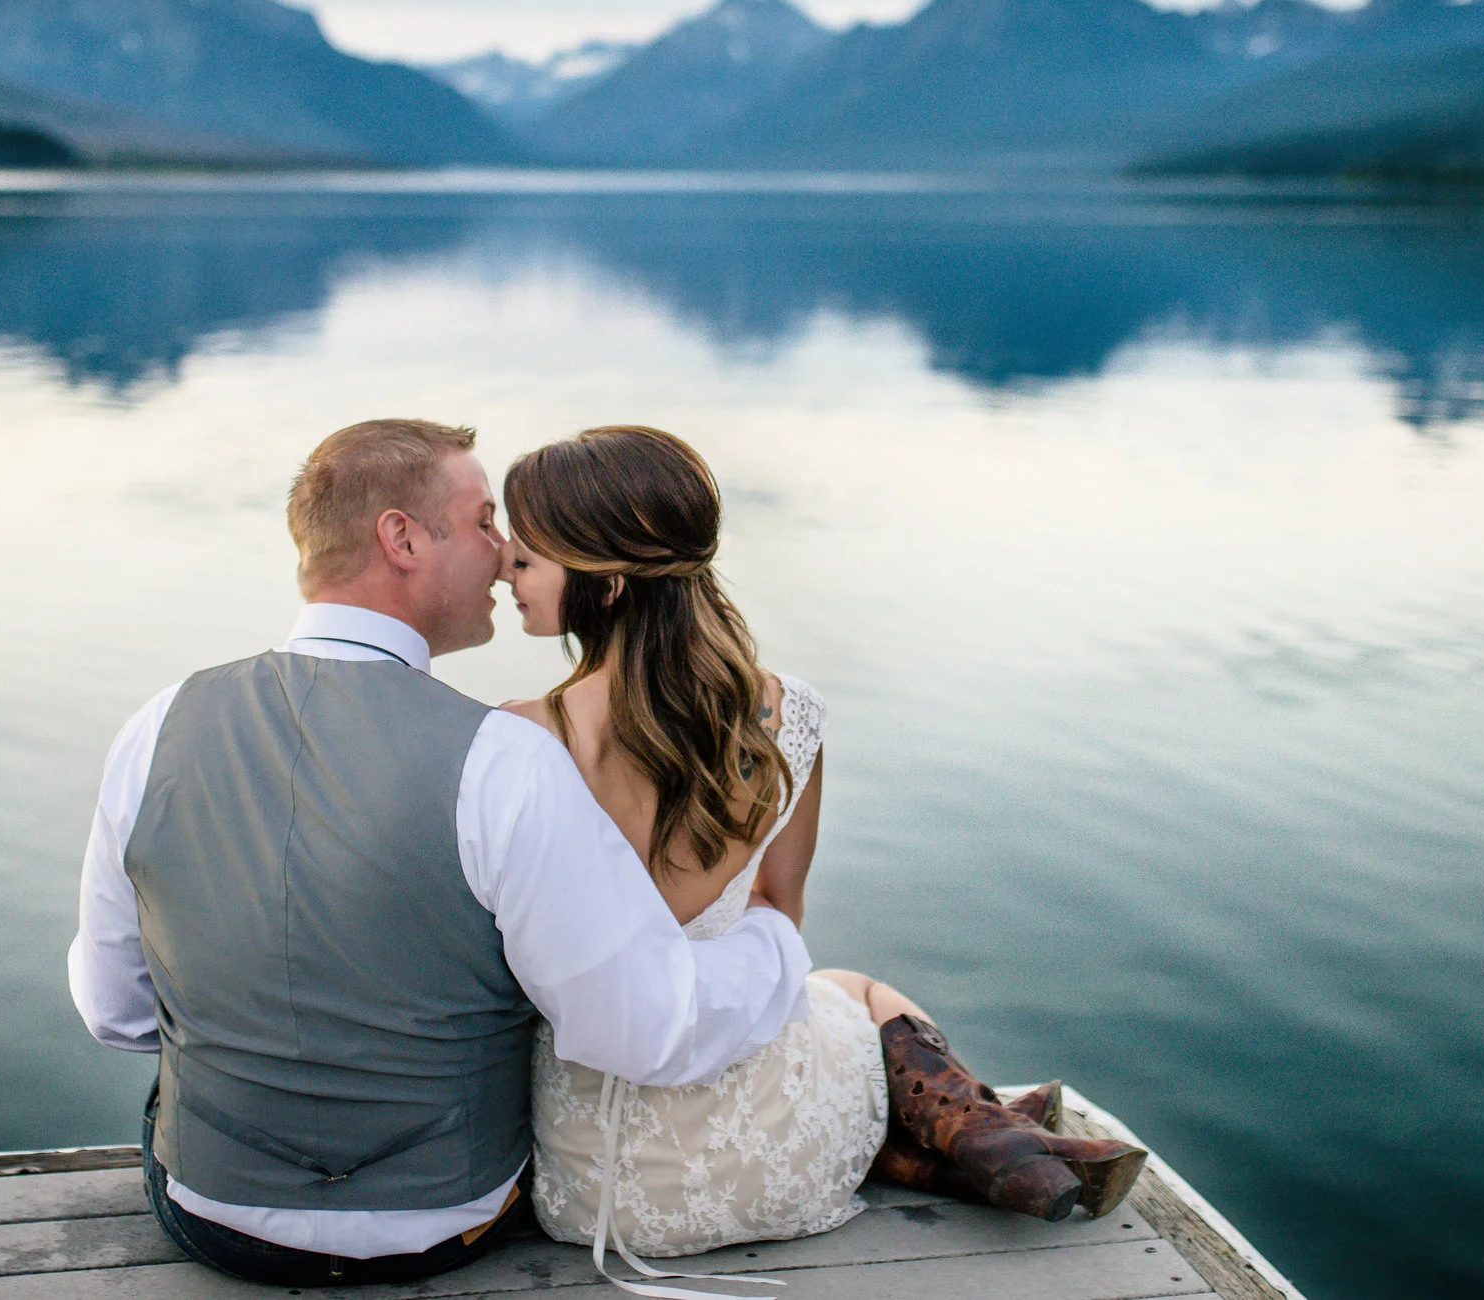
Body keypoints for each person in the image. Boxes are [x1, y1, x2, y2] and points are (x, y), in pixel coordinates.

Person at [68, 419, 814, 1288]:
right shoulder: (503, 759)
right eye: (485, 521)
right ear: (403, 538)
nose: (504, 555)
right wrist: (774, 944)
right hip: (443, 1219)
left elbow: (113, 1010)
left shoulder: (155, 727)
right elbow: (641, 1026)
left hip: (209, 1212)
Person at [499, 426, 1147, 1286]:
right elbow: (779, 908)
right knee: (849, 991)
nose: (505, 568)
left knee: (819, 997)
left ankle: (966, 1142)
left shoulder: (523, 736)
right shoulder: (786, 714)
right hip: (783, 1171)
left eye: (528, 557)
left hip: (599, 1190)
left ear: (607, 582)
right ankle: (979, 1134)